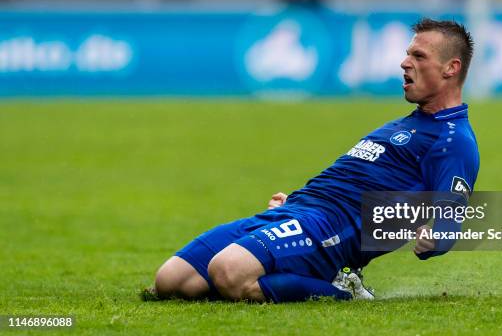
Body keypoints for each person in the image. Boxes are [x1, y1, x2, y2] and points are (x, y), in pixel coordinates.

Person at [150, 18, 479, 303]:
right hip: (299, 211)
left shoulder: (454, 142)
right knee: (171, 281)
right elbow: (347, 178)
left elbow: (450, 220)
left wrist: (436, 241)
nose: (404, 62)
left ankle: (341, 285)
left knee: (229, 273)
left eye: (418, 56)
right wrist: (293, 200)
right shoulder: (403, 124)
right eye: (407, 54)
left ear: (451, 68)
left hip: (333, 229)